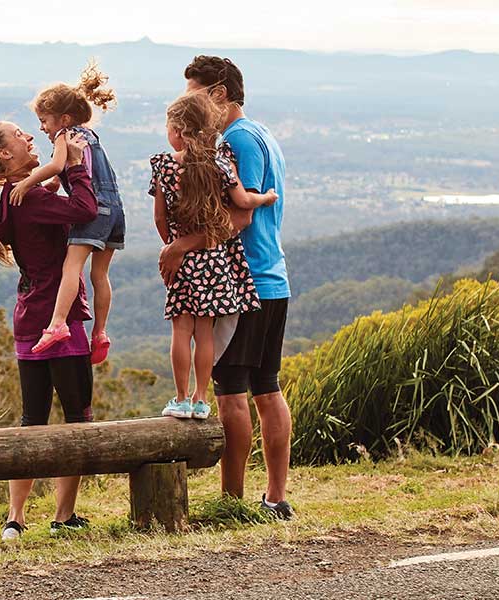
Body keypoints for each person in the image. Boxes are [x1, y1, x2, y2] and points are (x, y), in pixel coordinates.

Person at [165, 55, 296, 519]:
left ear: (219, 93)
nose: (188, 106)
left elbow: (240, 215)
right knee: (266, 386)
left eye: (194, 95)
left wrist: (182, 246)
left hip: (244, 281)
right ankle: (275, 497)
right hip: (272, 278)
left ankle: (232, 501)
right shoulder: (262, 134)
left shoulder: (236, 140)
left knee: (232, 391)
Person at [0, 121, 98, 540]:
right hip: (60, 319)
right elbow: (85, 211)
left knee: (32, 417)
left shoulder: (10, 199)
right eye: (21, 135)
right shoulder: (30, 198)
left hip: (27, 317)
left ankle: (15, 518)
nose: (30, 138)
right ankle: (62, 517)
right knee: (77, 416)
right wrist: (75, 167)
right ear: (5, 155)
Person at [150, 92, 276, 420]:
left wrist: (172, 243)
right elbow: (244, 201)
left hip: (183, 261)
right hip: (214, 258)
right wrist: (266, 198)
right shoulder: (221, 163)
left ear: (178, 129)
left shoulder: (163, 165)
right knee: (205, 332)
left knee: (181, 330)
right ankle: (201, 398)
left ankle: (179, 398)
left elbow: (160, 217)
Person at [7, 61, 123, 364]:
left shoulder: (65, 136)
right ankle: (100, 332)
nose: (42, 128)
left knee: (70, 268)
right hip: (115, 211)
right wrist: (51, 188)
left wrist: (28, 183)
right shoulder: (88, 136)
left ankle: (57, 323)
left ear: (64, 118)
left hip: (94, 211)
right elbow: (65, 177)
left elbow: (58, 166)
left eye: (44, 121)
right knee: (100, 273)